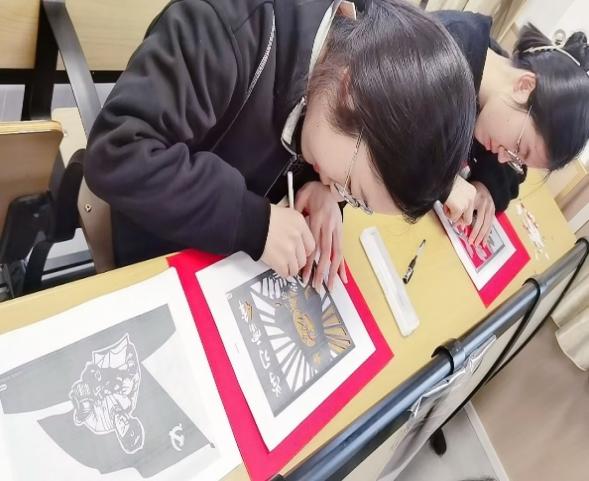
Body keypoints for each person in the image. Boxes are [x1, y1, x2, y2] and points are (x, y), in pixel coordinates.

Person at [84, 0, 476, 289]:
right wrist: (254, 223)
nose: (341, 191)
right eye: (350, 188)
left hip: (216, 253)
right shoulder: (232, 28)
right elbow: (117, 152)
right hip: (152, 243)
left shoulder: (346, 60)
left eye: (356, 201)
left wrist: (325, 193)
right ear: (352, 92)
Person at [438, 11, 589, 246]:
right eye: (519, 147)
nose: (503, 157)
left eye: (517, 159)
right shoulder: (441, 56)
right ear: (525, 86)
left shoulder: (498, 90)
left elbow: (509, 171)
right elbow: (389, 136)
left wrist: (486, 186)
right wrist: (442, 184)